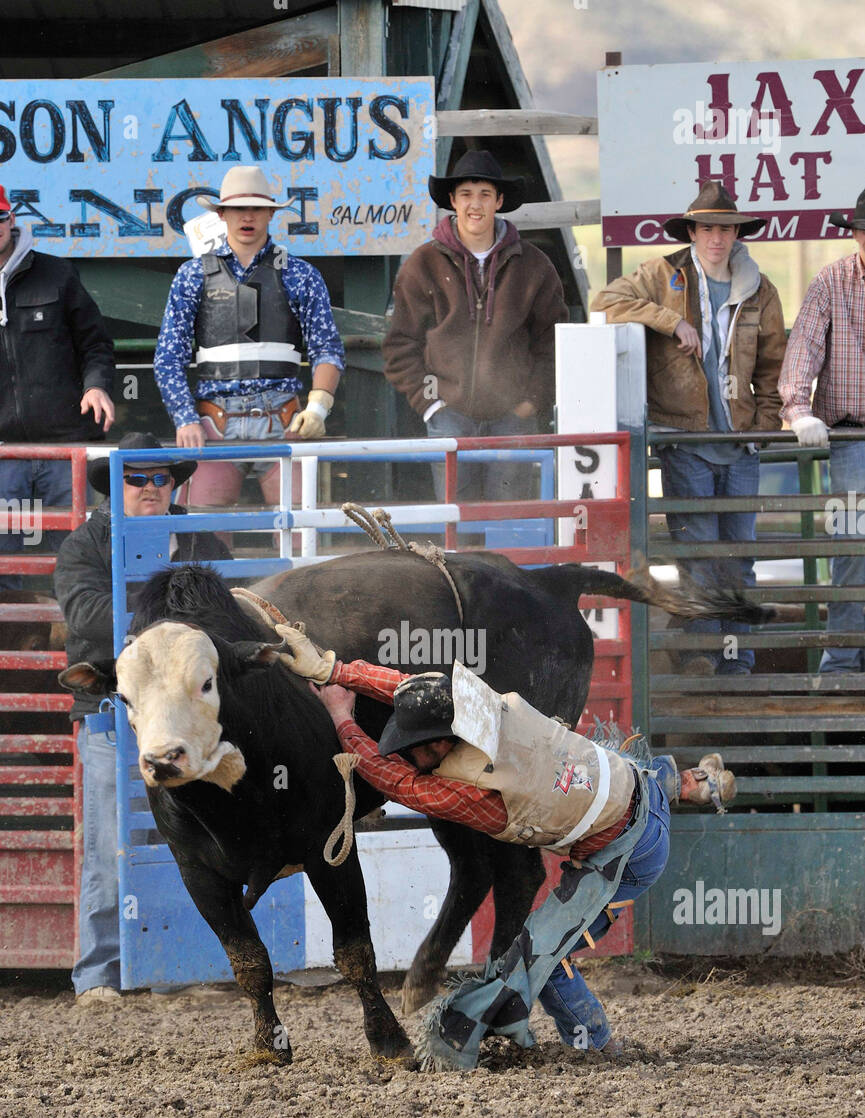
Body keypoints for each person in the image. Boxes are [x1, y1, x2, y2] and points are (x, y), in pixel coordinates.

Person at [273, 626, 736, 1067]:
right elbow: (409, 686)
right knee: (620, 772)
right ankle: (693, 783)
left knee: (545, 958)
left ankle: (598, 1043)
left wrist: (341, 717)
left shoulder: (482, 796)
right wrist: (333, 670)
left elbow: (395, 781)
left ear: (437, 745)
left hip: (629, 855)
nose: (405, 752)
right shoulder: (476, 707)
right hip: (631, 783)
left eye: (413, 745)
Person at [55, 433, 231, 1005]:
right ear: (117, 485)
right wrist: (171, 610)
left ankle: (188, 963)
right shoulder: (86, 544)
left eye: (162, 478)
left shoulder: (198, 535)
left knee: (192, 839)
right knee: (111, 846)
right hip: (114, 715)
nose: (152, 488)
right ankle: (99, 976)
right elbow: (85, 616)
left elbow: (229, 601)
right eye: (138, 478)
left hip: (189, 720)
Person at [592, 181, 786, 676]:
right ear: (693, 232)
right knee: (699, 557)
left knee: (738, 559)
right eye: (706, 228)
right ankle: (706, 655)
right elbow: (606, 298)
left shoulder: (760, 290)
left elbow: (771, 365)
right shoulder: (664, 274)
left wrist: (762, 425)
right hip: (687, 439)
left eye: (724, 228)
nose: (716, 237)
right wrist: (669, 322)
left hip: (738, 444)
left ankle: (734, 661)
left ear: (736, 232)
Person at [154, 166, 344, 510]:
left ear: (271, 213)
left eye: (256, 208)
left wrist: (318, 408)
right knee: (205, 529)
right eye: (239, 209)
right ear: (222, 214)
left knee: (299, 526)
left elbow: (327, 348)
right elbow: (169, 358)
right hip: (213, 422)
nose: (248, 217)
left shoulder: (301, 274)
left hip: (285, 417)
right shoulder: (192, 275)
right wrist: (184, 417)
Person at [382, 149, 568, 502]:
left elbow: (553, 343)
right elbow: (399, 345)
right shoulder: (422, 264)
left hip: (514, 417)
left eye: (484, 194)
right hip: (448, 415)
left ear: (499, 201)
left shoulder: (534, 265)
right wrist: (430, 404)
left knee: (510, 525)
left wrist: (530, 401)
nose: (475, 205)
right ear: (452, 200)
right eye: (466, 194)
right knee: (456, 524)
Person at [0, 184, 115, 586]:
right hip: (2, 454)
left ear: (11, 219)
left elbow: (96, 344)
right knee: (2, 567)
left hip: (66, 449)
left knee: (79, 559)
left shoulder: (58, 273)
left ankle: (81, 646)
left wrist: (96, 386)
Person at [780, 187, 865, 674]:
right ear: (855, 234)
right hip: (851, 435)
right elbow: (803, 348)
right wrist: (798, 408)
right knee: (852, 550)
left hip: (850, 438)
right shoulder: (832, 282)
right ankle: (842, 664)